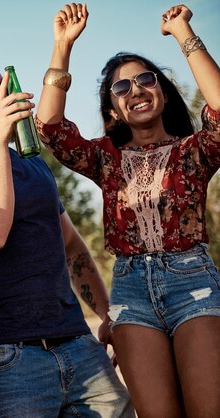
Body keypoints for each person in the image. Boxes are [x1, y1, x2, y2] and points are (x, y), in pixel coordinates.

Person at [36, 4, 220, 417]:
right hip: (130, 291)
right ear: (113, 110)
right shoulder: (105, 158)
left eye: (145, 80)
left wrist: (183, 34)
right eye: (122, 89)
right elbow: (49, 128)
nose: (135, 90)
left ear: (163, 91)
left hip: (194, 283)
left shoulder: (196, 150)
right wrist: (62, 46)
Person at [0, 53, 134, 417]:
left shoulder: (33, 162)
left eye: (3, 87)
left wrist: (105, 315)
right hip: (11, 359)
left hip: (79, 347)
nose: (2, 96)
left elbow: (70, 245)